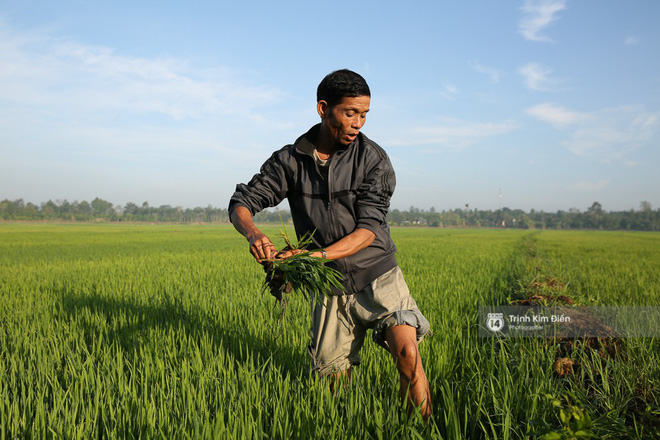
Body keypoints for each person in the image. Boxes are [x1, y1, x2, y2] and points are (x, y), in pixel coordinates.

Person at [228, 69, 432, 419]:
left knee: (407, 353)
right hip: (330, 285)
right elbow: (241, 203)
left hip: (378, 275)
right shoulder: (290, 161)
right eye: (350, 113)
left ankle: (422, 428)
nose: (358, 123)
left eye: (364, 115)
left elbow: (368, 230)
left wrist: (311, 255)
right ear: (323, 108)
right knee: (335, 380)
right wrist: (254, 234)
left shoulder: (373, 159)